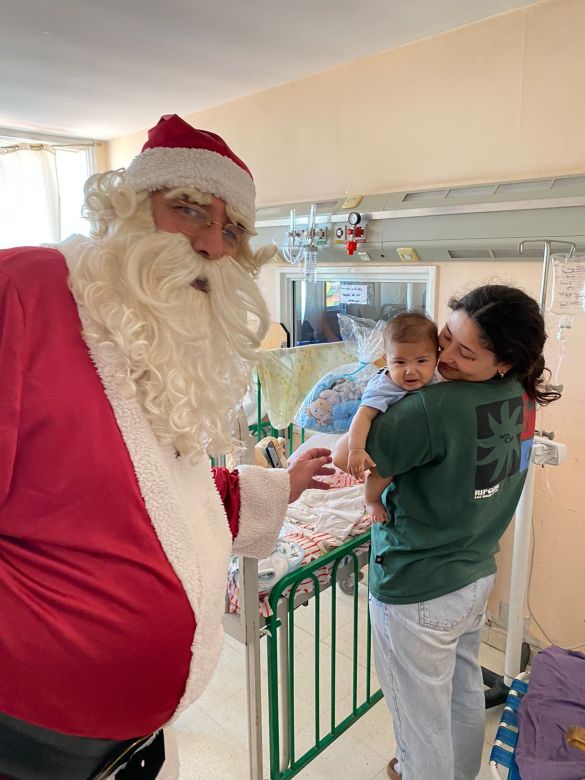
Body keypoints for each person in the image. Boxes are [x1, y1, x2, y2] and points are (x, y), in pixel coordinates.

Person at [0, 114, 334, 780]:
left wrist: (275, 485)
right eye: (187, 209)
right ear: (128, 209)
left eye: (232, 229)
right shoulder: (28, 290)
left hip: (132, 740)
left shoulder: (159, 343)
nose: (212, 244)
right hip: (30, 736)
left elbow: (149, 503)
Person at [341, 285, 560, 780]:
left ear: (503, 361)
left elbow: (345, 459)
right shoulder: (523, 398)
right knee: (462, 694)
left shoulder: (430, 409)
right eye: (446, 337)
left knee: (421, 724)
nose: (445, 356)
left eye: (466, 351)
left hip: (418, 585)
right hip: (474, 573)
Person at [334, 311, 439, 521]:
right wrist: (357, 450)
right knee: (383, 471)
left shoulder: (434, 379)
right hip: (372, 441)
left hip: (401, 441)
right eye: (400, 362)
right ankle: (371, 500)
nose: (411, 371)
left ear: (436, 358)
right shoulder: (385, 387)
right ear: (385, 360)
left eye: (421, 360)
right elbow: (363, 416)